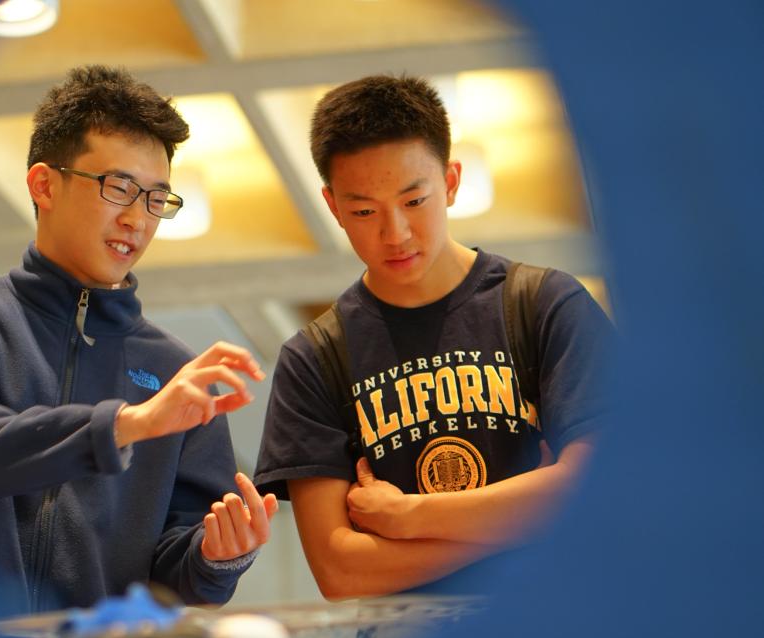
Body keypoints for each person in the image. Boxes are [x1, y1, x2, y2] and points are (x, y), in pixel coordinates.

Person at [0, 65, 278, 620]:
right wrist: (128, 424)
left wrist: (218, 558)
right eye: (118, 187)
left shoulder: (176, 373)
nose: (136, 220)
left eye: (156, 199)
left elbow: (179, 575)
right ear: (44, 185)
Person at [253, 74, 613, 600]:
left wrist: (407, 516)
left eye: (414, 201)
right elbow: (341, 572)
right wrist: (523, 522)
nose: (394, 232)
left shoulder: (544, 303)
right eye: (363, 212)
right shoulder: (315, 357)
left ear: (450, 182)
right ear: (332, 207)